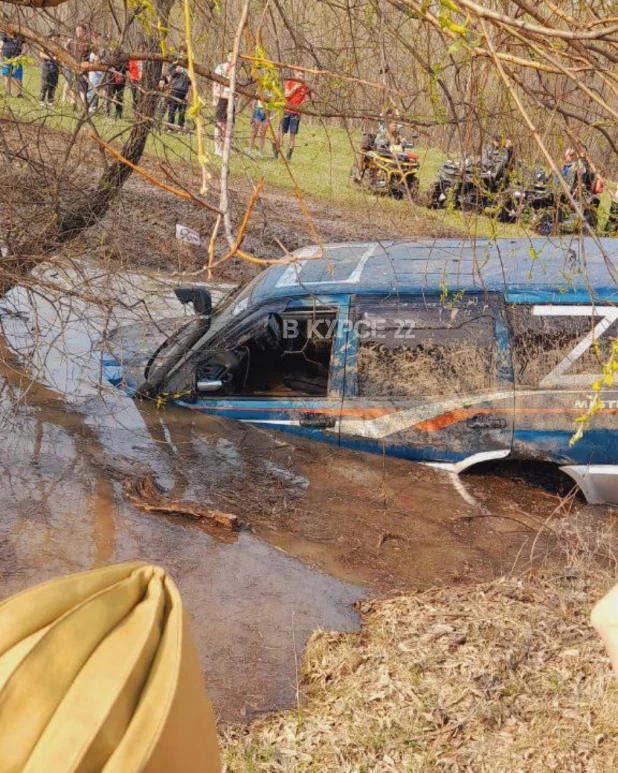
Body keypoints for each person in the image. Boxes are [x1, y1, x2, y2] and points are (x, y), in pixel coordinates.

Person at [274, 69, 310, 161]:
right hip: (286, 111)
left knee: (292, 135)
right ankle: (276, 153)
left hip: (296, 114)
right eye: (299, 76)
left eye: (302, 76)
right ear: (295, 74)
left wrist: (304, 103)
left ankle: (288, 157)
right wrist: (295, 88)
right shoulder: (290, 82)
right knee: (281, 133)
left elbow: (310, 97)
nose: (301, 78)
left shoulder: (305, 86)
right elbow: (286, 95)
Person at [64, 25, 90, 108]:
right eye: (77, 30)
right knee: (73, 87)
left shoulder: (88, 43)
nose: (78, 32)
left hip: (83, 68)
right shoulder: (73, 42)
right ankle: (73, 104)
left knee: (82, 88)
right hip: (73, 67)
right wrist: (67, 43)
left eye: (80, 30)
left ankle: (84, 106)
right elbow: (65, 49)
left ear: (84, 32)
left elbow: (94, 55)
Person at [213, 52, 233, 156]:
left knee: (227, 125)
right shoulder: (221, 67)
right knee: (219, 123)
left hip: (231, 99)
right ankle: (217, 148)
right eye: (230, 56)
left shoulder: (236, 69)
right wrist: (214, 97)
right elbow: (215, 83)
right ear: (227, 56)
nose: (232, 58)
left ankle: (224, 148)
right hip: (221, 97)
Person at [167, 60, 191, 130]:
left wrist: (188, 93)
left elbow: (191, 82)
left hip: (184, 91)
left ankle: (181, 127)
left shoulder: (189, 66)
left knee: (182, 111)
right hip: (175, 89)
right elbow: (172, 74)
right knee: (172, 109)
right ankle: (170, 128)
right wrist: (176, 70)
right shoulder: (175, 63)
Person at [39, 33, 60, 106]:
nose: (56, 39)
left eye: (57, 38)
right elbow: (41, 55)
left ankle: (50, 101)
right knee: (45, 83)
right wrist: (52, 58)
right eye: (54, 37)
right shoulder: (45, 45)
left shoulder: (59, 47)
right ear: (50, 38)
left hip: (55, 67)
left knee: (53, 84)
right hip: (47, 66)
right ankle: (41, 100)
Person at [1, 32, 25, 98]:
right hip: (7, 59)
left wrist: (19, 56)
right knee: (7, 77)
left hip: (17, 60)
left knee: (18, 77)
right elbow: (1, 46)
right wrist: (2, 57)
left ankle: (19, 93)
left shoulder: (20, 35)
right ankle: (7, 92)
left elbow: (24, 49)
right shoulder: (4, 35)